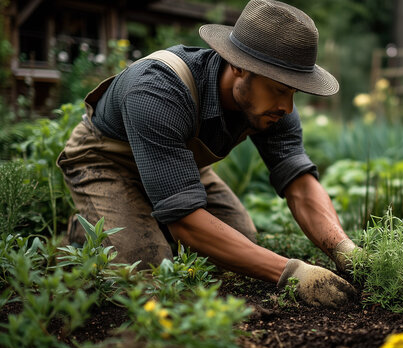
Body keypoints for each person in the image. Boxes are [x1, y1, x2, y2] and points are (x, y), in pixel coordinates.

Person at [57, 0, 358, 307]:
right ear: (239, 66)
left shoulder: (273, 108)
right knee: (144, 270)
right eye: (280, 88)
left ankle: (149, 218)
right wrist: (293, 273)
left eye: (294, 91)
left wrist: (344, 249)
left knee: (240, 244)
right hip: (106, 163)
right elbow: (186, 221)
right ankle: (87, 230)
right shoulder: (157, 90)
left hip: (179, 168)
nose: (288, 107)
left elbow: (300, 184)